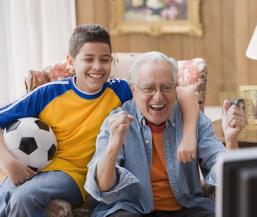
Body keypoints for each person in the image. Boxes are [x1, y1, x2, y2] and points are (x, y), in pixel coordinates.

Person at [0, 24, 199, 217]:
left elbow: (184, 92)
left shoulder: (120, 90)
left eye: (104, 60)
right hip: (35, 166)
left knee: (24, 198)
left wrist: (189, 133)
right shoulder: (48, 93)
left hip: (76, 177)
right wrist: (9, 163)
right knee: (4, 195)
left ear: (111, 62)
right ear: (71, 61)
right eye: (89, 59)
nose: (97, 67)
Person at [85, 51, 246, 217]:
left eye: (166, 88)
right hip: (130, 209)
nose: (158, 97)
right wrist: (114, 145)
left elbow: (224, 174)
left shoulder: (195, 120)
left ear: (176, 88)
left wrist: (231, 140)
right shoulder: (116, 121)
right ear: (134, 90)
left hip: (186, 208)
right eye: (148, 88)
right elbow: (102, 186)